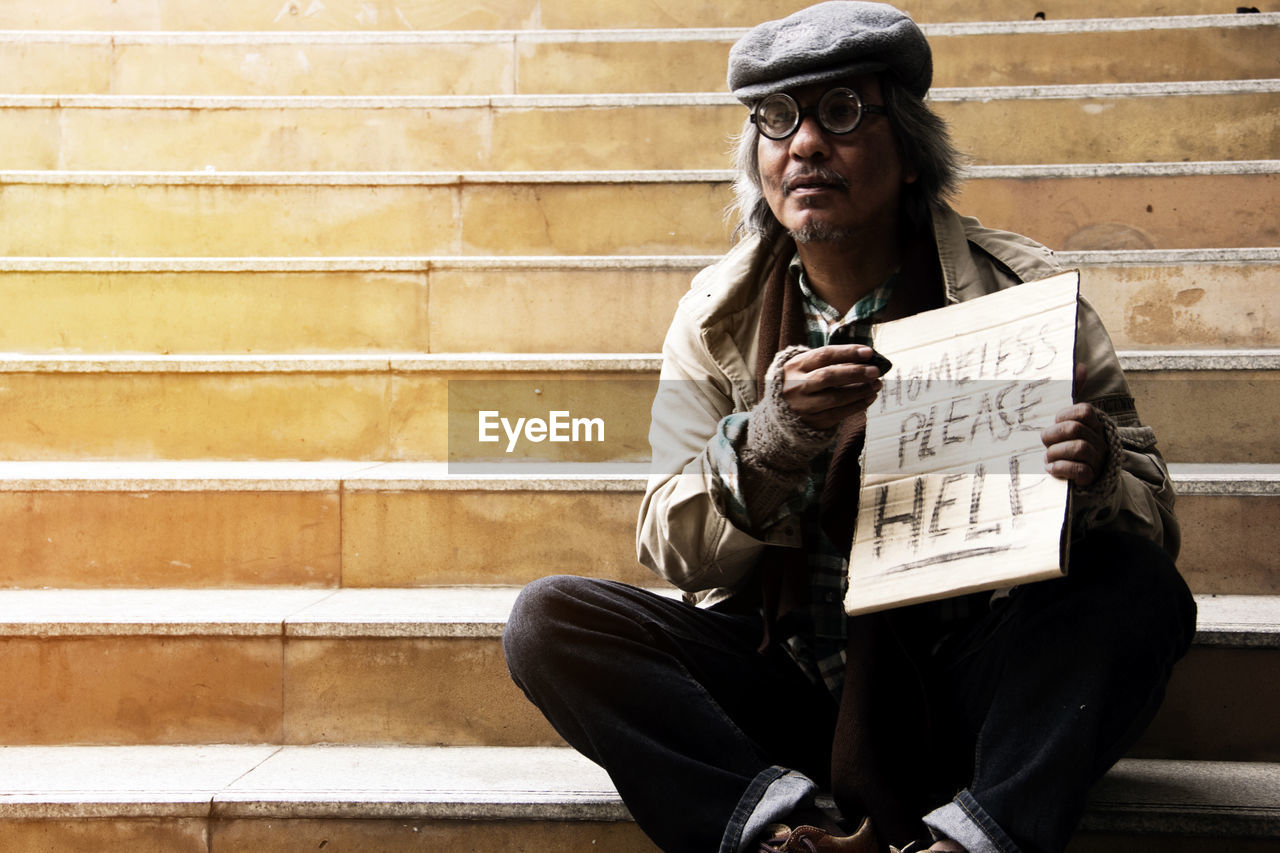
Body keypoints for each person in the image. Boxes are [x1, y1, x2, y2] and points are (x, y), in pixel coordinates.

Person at [503, 3, 1196, 851]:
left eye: (839, 113)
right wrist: (767, 445)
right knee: (549, 621)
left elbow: (1153, 525)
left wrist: (1095, 478)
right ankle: (780, 833)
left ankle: (971, 842)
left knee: (1136, 586)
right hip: (784, 677)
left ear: (909, 151)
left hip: (968, 675)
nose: (803, 145)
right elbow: (671, 546)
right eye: (775, 119)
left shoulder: (1024, 293)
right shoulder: (716, 315)